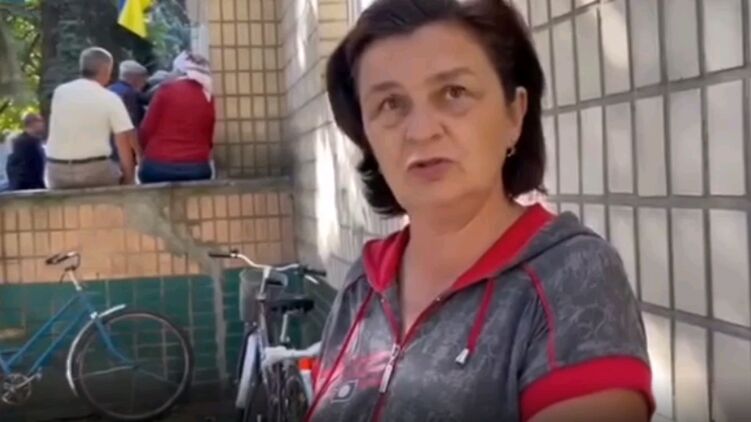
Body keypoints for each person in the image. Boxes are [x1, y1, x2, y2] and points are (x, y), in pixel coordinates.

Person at [307, 1, 653, 422]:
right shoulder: (363, 284)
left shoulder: (572, 276)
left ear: (514, 114)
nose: (422, 131)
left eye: (454, 93)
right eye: (391, 104)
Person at [45, 47, 139, 189]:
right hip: (95, 171)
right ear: (106, 69)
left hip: (56, 172)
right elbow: (123, 141)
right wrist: (129, 178)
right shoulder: (109, 98)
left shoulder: (60, 92)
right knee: (117, 175)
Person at [138, 53, 215, 183]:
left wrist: (142, 154)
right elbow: (211, 134)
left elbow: (147, 129)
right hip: (197, 167)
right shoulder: (210, 95)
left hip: (158, 165)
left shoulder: (166, 90)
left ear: (179, 70)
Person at [108, 60, 148, 162]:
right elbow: (131, 125)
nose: (145, 82)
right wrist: (138, 152)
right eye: (143, 78)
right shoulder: (130, 94)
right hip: (123, 149)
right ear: (135, 78)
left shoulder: (109, 90)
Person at [6, 113, 46, 190]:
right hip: (30, 188)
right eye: (41, 121)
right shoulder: (31, 143)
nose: (43, 124)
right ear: (33, 123)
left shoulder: (17, 142)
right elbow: (39, 168)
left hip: (16, 187)